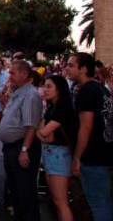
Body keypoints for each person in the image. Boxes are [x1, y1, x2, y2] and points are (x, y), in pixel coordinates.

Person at [67, 53, 113, 221]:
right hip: (104, 153)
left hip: (93, 156)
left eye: (71, 65)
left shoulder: (87, 91)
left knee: (98, 203)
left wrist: (77, 157)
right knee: (103, 202)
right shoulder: (100, 88)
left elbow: (86, 126)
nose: (67, 68)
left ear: (84, 69)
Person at [0, 59, 42, 221]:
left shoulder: (30, 95)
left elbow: (31, 126)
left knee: (25, 194)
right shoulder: (18, 92)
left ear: (24, 74)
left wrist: (24, 150)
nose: (9, 75)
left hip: (22, 147)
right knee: (16, 191)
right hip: (11, 148)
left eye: (13, 72)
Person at [36, 74, 77, 221]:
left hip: (59, 155)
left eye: (49, 86)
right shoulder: (52, 108)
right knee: (56, 200)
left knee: (61, 202)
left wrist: (41, 132)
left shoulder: (63, 108)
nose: (45, 90)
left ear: (59, 89)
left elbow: (43, 133)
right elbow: (44, 135)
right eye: (44, 86)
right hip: (52, 154)